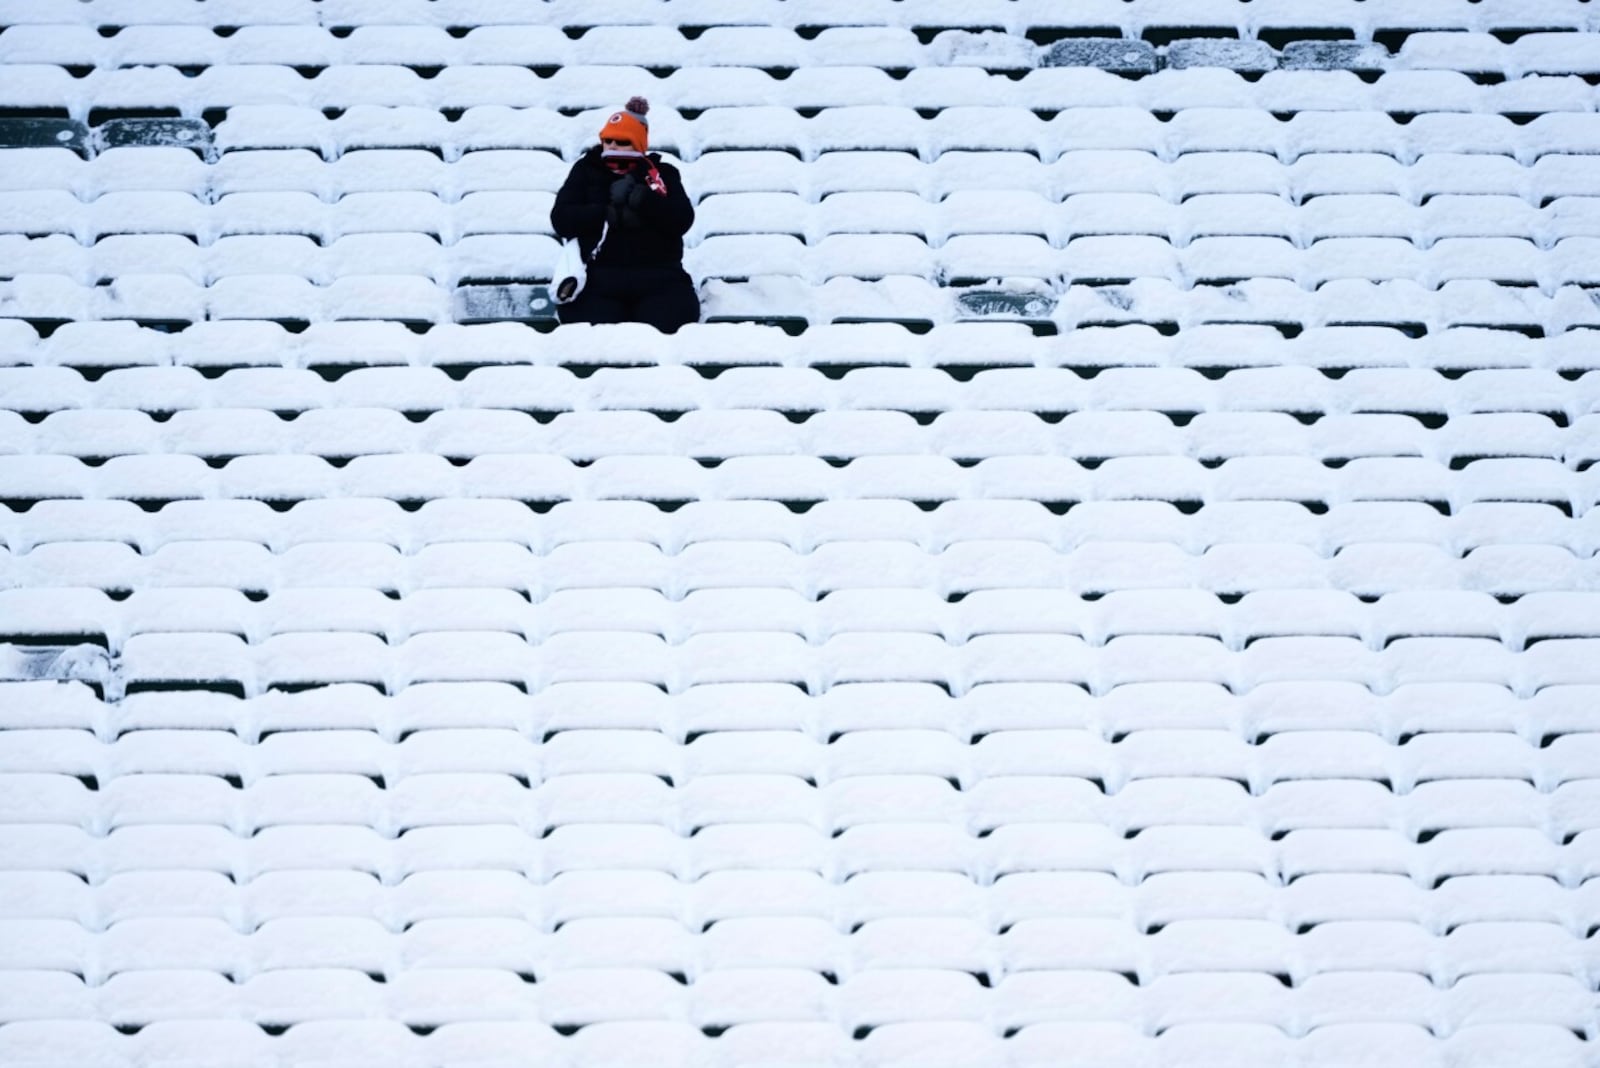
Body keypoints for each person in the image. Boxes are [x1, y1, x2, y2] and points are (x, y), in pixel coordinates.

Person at [550, 97, 700, 332]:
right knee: (596, 336)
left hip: (660, 277)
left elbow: (681, 220)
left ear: (638, 144)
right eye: (607, 140)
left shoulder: (662, 174)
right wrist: (603, 212)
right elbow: (561, 219)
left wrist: (644, 200)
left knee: (667, 328)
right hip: (597, 278)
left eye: (621, 142)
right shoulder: (585, 170)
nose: (612, 146)